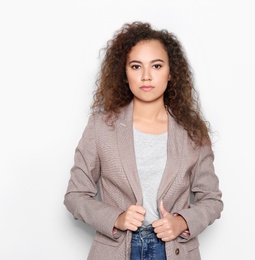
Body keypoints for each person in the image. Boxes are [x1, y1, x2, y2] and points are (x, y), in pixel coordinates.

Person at [64, 21, 223, 260]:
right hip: (117, 248)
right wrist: (116, 218)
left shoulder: (192, 133)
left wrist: (181, 222)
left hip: (174, 250)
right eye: (136, 66)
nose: (146, 76)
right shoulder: (100, 127)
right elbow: (75, 195)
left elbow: (211, 199)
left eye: (156, 66)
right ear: (125, 73)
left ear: (170, 73)